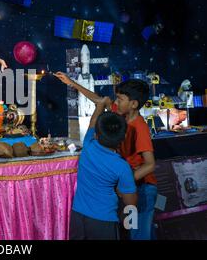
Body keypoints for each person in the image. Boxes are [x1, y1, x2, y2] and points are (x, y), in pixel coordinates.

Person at [55, 72, 157, 240]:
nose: (115, 103)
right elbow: (99, 101)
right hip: (125, 183)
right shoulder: (120, 115)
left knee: (138, 232)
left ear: (133, 104)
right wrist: (72, 83)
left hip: (142, 187)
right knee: (127, 230)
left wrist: (126, 180)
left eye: (119, 99)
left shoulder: (140, 128)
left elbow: (150, 164)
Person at [70, 97, 137, 240]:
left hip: (77, 217)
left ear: (95, 134)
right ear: (124, 137)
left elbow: (93, 122)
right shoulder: (122, 167)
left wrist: (100, 105)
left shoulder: (88, 145)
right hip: (103, 222)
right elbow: (131, 202)